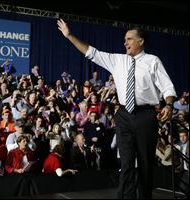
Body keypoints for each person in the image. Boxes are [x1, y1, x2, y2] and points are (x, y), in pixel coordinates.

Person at [57, 18, 177, 199]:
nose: (125, 42)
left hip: (146, 115)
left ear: (140, 41)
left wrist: (168, 104)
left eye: (129, 39)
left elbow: (167, 87)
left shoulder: (153, 61)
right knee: (126, 163)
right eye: (125, 39)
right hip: (123, 115)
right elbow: (91, 52)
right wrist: (69, 35)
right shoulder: (117, 60)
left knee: (145, 164)